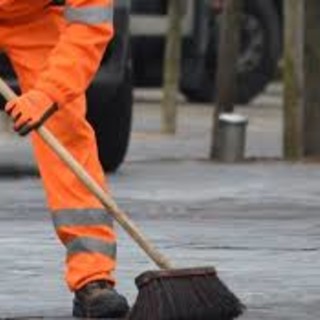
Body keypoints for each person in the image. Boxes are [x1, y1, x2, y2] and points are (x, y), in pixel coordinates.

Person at [2, 0, 129, 318]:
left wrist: (49, 93)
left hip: (32, 16)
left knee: (65, 127)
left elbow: (89, 24)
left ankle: (93, 277)